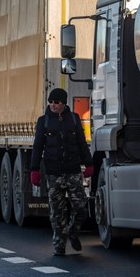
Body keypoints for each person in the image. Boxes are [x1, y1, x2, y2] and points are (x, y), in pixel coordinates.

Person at [30, 88, 93, 256]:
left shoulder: (73, 119)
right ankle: (59, 245)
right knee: (57, 213)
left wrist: (89, 163)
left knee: (81, 208)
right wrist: (34, 169)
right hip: (53, 174)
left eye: (56, 102)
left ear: (63, 103)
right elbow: (37, 147)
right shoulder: (43, 122)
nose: (52, 105)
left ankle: (72, 231)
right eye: (50, 102)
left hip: (73, 172)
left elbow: (81, 142)